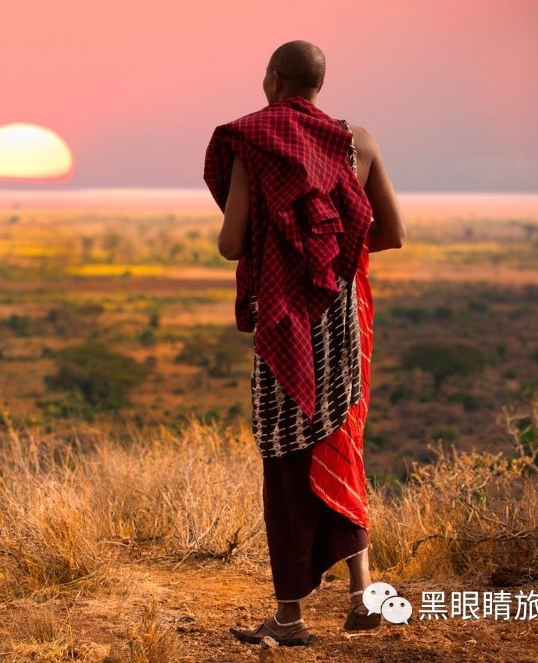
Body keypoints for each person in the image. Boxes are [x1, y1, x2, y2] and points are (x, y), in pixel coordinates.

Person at [203, 40, 406, 646]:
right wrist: (327, 253)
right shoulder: (358, 142)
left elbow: (231, 243)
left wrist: (288, 256)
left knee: (287, 458)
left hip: (285, 322)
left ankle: (289, 619)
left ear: (272, 79)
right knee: (338, 442)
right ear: (319, 84)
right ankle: (363, 596)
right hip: (338, 319)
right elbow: (391, 232)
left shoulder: (252, 142)